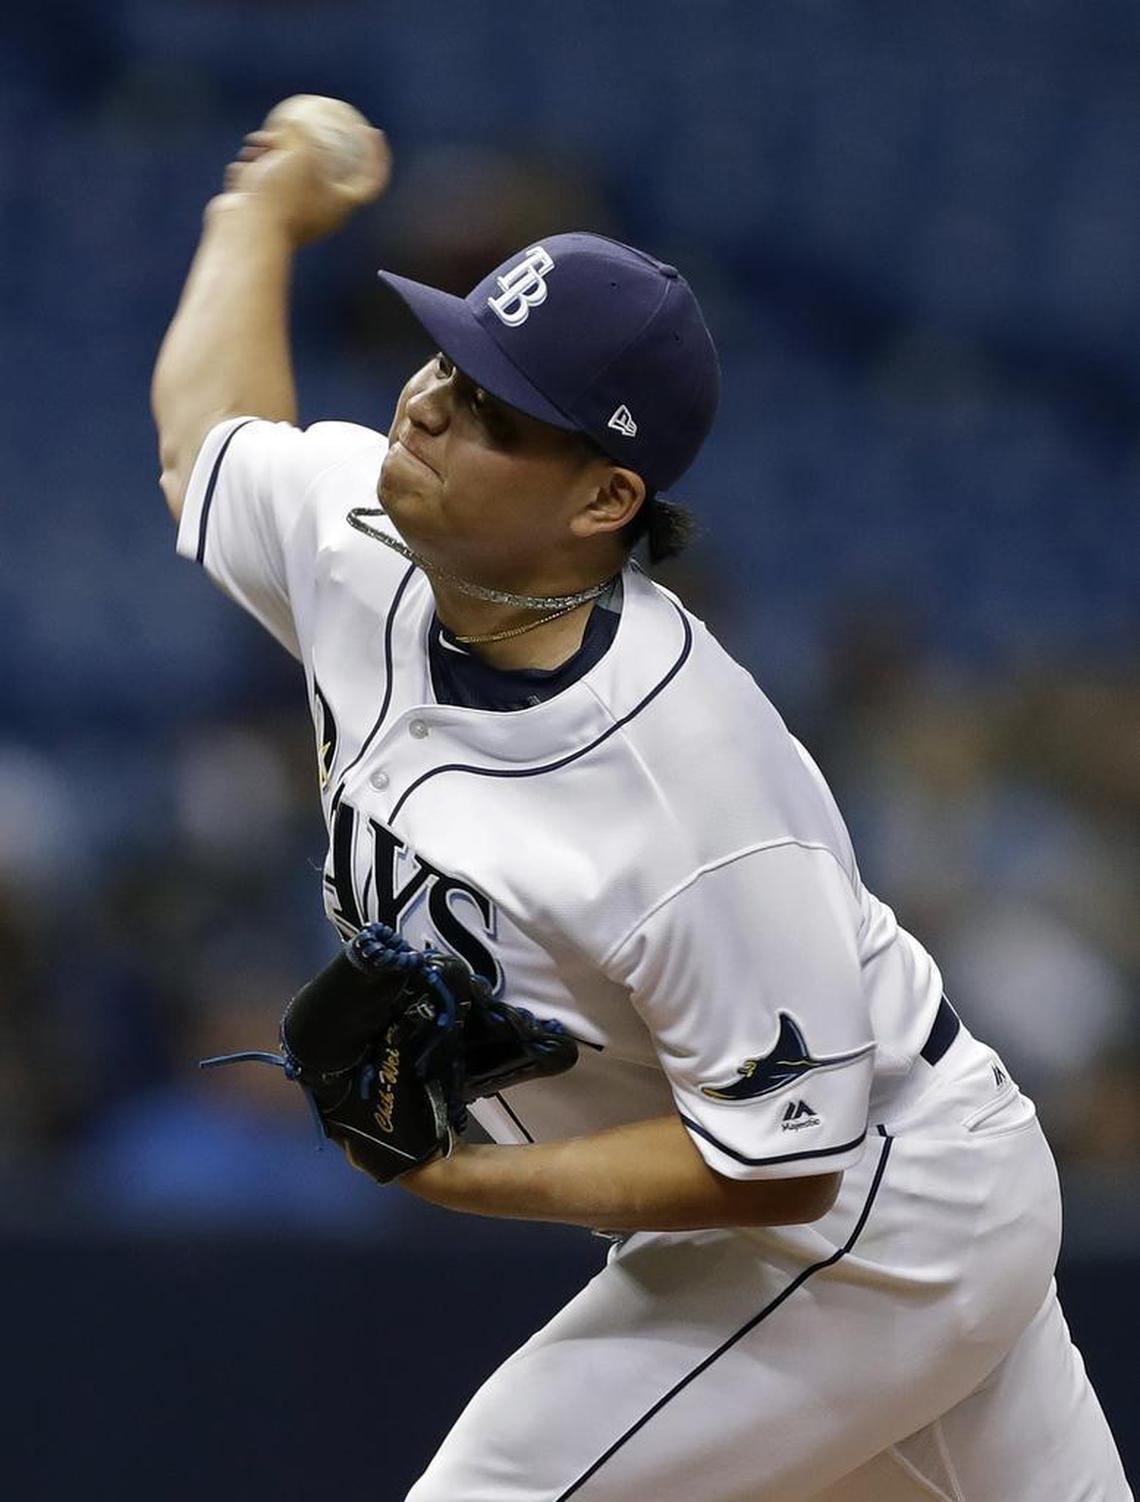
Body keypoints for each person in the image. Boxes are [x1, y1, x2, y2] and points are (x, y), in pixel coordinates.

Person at [152, 110, 1132, 1502]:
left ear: (604, 496)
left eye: (491, 411)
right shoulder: (363, 543)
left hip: (875, 1220)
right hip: (852, 1199)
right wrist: (252, 218)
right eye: (444, 356)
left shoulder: (692, 787)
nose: (426, 402)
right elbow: (211, 446)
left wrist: (455, 1181)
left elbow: (785, 1163)